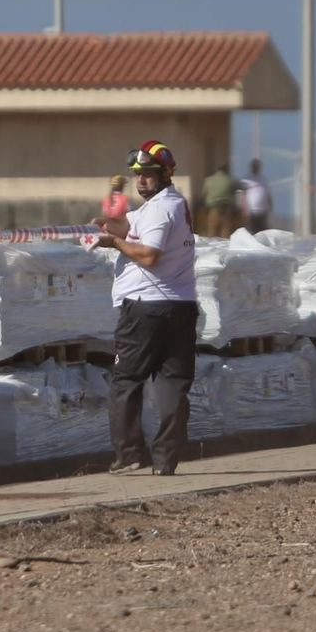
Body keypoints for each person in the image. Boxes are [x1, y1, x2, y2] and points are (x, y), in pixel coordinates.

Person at [92, 140, 199, 477]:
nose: (141, 180)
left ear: (166, 173)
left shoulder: (160, 210)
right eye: (138, 174)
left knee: (126, 380)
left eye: (149, 174)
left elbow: (150, 255)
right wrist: (108, 223)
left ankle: (130, 454)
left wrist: (115, 244)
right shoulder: (172, 204)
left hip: (145, 309)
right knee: (172, 383)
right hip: (180, 306)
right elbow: (132, 224)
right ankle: (165, 460)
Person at [201, 163, 239, 238]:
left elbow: (203, 194)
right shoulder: (230, 180)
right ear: (226, 170)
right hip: (227, 210)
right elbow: (237, 190)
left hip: (213, 210)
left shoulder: (209, 180)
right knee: (226, 234)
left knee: (211, 234)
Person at [240, 157, 273, 234]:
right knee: (252, 231)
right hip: (251, 211)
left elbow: (268, 194)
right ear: (251, 167)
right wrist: (244, 209)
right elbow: (241, 195)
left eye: (257, 166)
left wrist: (270, 207)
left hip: (263, 211)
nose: (256, 168)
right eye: (254, 166)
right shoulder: (246, 179)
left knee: (262, 232)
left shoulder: (264, 179)